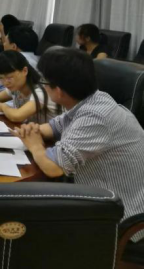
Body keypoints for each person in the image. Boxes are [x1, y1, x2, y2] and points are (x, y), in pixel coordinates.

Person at [15, 49, 144, 239]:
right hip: (100, 193)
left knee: (27, 219)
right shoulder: (92, 99)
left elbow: (53, 168)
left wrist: (34, 145)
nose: (42, 86)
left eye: (44, 82)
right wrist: (32, 130)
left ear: (58, 91)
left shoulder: (96, 117)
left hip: (122, 214)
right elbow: (54, 127)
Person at [0, 50, 60, 123]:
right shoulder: (16, 87)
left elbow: (17, 116)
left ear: (25, 71)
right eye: (1, 78)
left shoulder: (41, 92)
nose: (6, 83)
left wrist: (2, 107)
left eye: (9, 77)